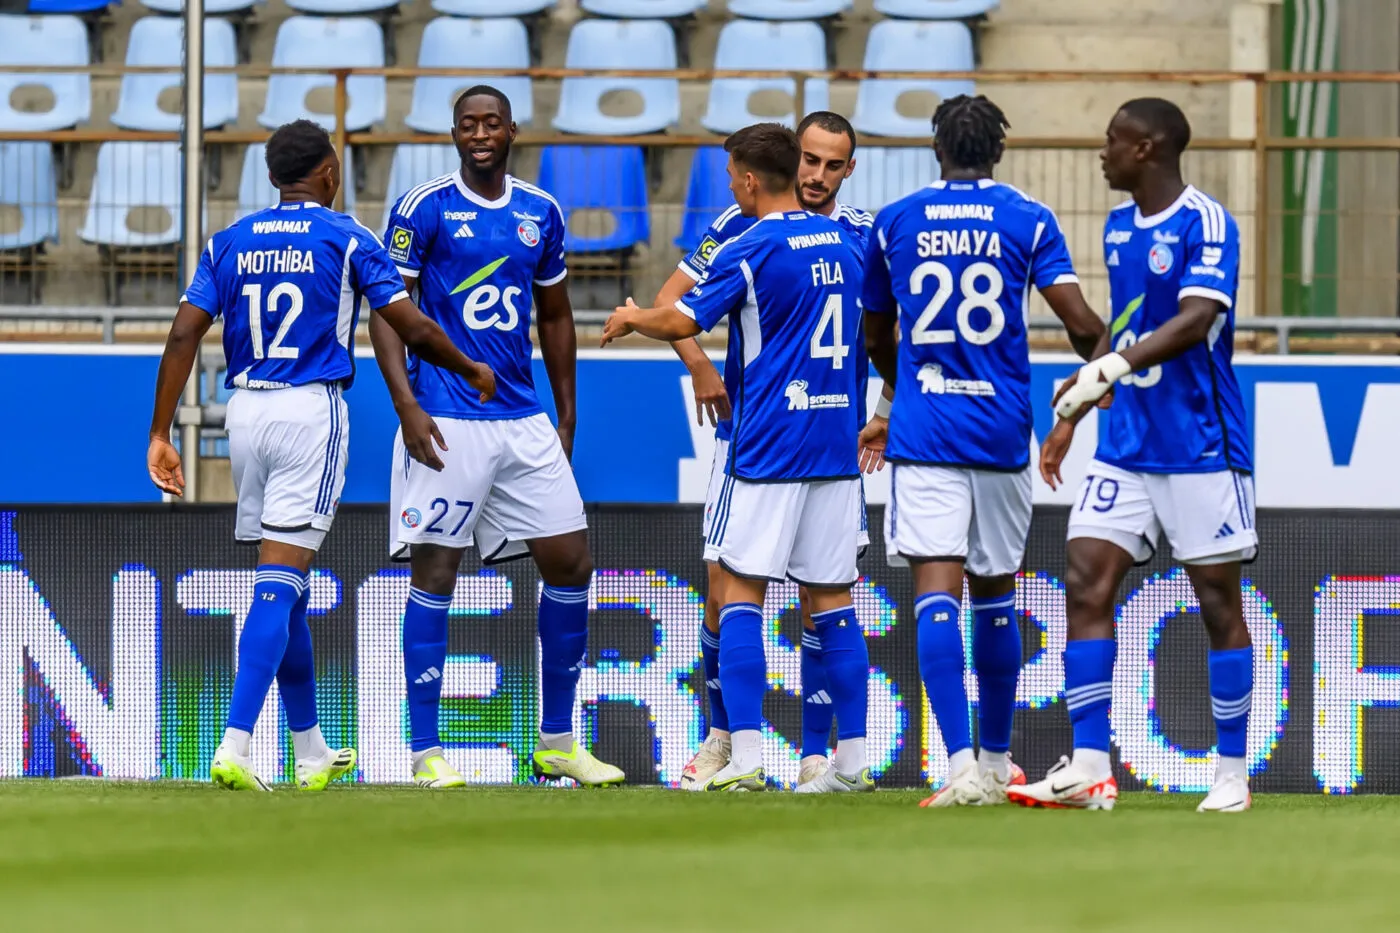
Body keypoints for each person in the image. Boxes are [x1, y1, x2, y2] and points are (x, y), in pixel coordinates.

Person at [146, 119, 496, 792]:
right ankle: (236, 742)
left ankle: (309, 749)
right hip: (310, 410)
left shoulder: (230, 240)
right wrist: (467, 364)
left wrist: (161, 431)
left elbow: (184, 332)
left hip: (242, 410)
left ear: (273, 177)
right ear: (330, 173)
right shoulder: (345, 237)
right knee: (280, 577)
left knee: (289, 579)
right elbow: (410, 323)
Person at [601, 123, 872, 793]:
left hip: (768, 444)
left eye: (731, 176)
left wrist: (635, 317)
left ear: (751, 180)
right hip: (836, 446)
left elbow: (682, 316)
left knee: (739, 590)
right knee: (834, 599)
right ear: (793, 166)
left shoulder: (751, 246)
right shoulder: (856, 241)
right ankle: (853, 760)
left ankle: (746, 756)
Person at [371, 85, 625, 789]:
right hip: (447, 415)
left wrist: (565, 413)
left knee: (571, 561)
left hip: (522, 417)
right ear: (453, 134)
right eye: (467, 124)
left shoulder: (539, 211)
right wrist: (405, 406)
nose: (480, 133)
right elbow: (389, 313)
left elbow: (556, 316)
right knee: (437, 572)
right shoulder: (423, 208)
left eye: (491, 122)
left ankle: (556, 742)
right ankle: (425, 750)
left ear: (512, 129)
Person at [859, 94, 1107, 807]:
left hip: (928, 431)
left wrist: (896, 387)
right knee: (996, 593)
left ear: (935, 149)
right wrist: (1088, 391)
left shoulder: (896, 219)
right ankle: (1000, 766)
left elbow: (878, 332)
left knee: (938, 592)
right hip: (1001, 431)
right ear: (997, 151)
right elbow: (1083, 324)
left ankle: (961, 767)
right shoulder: (1029, 218)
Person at [1010, 98, 1255, 813]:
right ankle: (1090, 764)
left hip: (1200, 445)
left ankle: (1232, 772)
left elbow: (1195, 319)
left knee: (1216, 601)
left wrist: (1106, 371)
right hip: (1125, 447)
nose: (1102, 152)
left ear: (1146, 149)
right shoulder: (1119, 229)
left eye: (1112, 140)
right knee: (1085, 579)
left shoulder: (1207, 222)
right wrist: (1077, 411)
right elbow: (1124, 329)